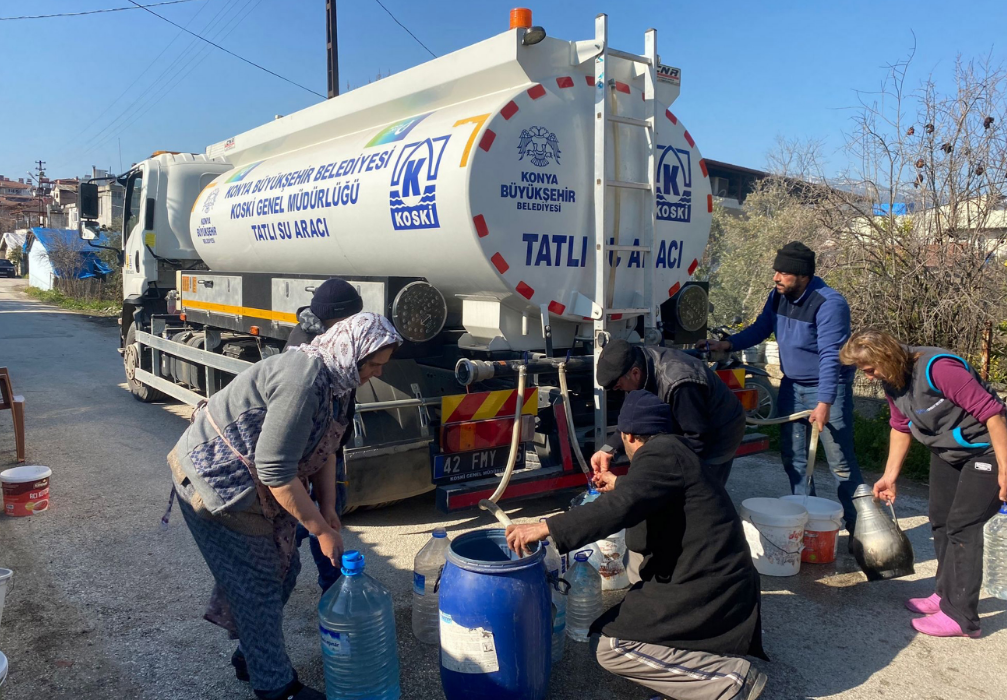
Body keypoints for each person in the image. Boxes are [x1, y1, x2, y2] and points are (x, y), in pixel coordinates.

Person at [166, 313, 401, 699]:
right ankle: (276, 687)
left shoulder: (340, 380)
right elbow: (275, 469)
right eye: (373, 364)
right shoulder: (304, 378)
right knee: (258, 580)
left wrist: (327, 507)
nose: (376, 372)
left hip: (254, 481)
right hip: (216, 480)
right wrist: (320, 531)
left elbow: (328, 446)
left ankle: (252, 654)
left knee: (285, 567)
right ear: (352, 351)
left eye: (381, 365)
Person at [507, 390, 767, 700]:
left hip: (710, 588)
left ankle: (729, 682)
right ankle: (696, 665)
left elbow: (619, 508)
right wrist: (618, 482)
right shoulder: (675, 451)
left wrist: (545, 527)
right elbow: (651, 490)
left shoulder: (661, 456)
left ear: (629, 436)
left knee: (610, 645)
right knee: (633, 590)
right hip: (715, 577)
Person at [840, 329, 1007, 638]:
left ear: (886, 357)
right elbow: (900, 427)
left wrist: (1006, 469)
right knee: (941, 520)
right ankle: (946, 596)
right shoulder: (894, 381)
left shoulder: (938, 368)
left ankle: (962, 617)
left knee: (962, 526)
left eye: (870, 369)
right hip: (947, 452)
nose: (870, 376)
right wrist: (890, 475)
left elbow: (993, 415)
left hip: (988, 450)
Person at [699, 241, 864, 535]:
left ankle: (859, 529)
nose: (776, 277)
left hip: (827, 390)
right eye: (776, 270)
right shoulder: (778, 297)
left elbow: (831, 357)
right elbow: (761, 328)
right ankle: (807, 525)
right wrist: (727, 344)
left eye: (784, 273)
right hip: (792, 386)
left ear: (803, 275)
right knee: (795, 458)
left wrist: (825, 402)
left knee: (841, 464)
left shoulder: (829, 304)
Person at [283, 278, 364, 592]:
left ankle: (334, 587)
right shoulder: (308, 350)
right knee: (303, 523)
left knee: (328, 516)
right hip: (305, 456)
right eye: (351, 318)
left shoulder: (333, 338)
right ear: (337, 318)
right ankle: (327, 584)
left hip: (327, 450)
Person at [591, 338, 747, 487]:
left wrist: (665, 474)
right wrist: (607, 450)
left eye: (619, 386)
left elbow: (697, 440)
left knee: (701, 491)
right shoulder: (637, 369)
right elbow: (631, 423)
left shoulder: (680, 383)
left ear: (635, 373)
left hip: (719, 432)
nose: (619, 391)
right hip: (691, 423)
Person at [283, 277, 364, 350]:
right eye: (351, 317)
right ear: (336, 317)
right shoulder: (305, 349)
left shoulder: (326, 336)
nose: (355, 322)